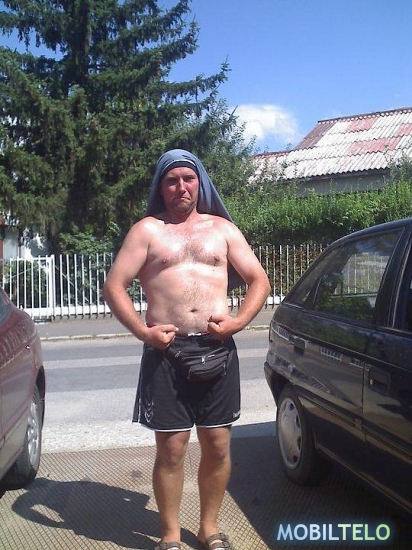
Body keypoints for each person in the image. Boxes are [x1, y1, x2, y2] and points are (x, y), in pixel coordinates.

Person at [103, 149, 271, 550]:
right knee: (172, 449)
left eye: (188, 178)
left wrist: (239, 322)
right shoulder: (147, 231)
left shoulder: (222, 229)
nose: (181, 186)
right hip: (167, 352)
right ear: (161, 187)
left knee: (218, 446)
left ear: (200, 183)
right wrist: (143, 333)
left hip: (217, 349)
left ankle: (208, 528)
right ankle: (170, 535)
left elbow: (259, 280)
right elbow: (114, 286)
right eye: (172, 180)